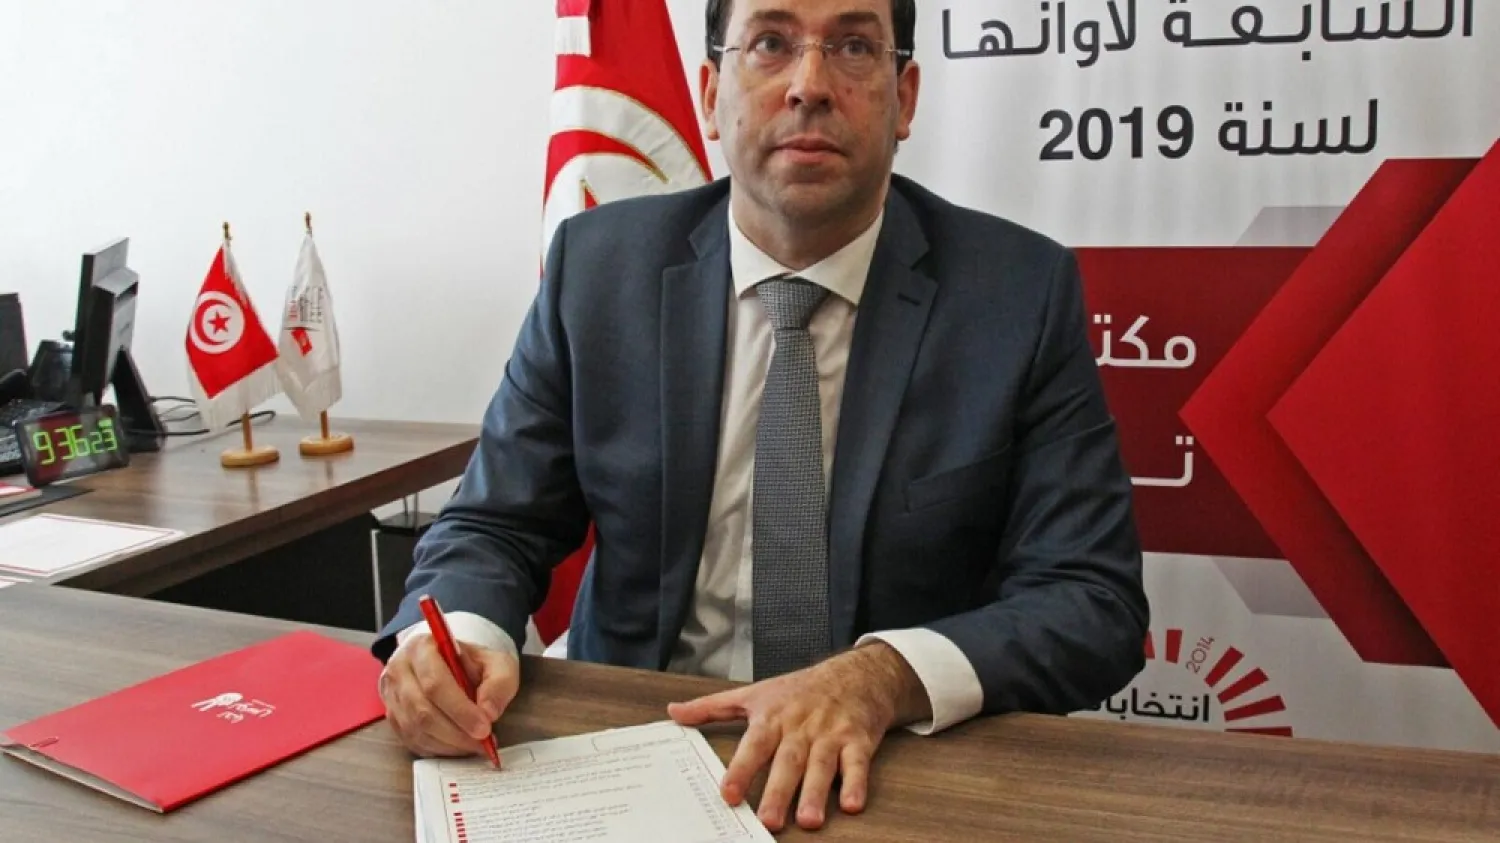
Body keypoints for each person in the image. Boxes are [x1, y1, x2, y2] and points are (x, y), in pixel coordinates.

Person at [374, 0, 1148, 833]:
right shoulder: (597, 270)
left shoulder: (1015, 294)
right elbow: (495, 522)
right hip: (633, 751)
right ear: (712, 93)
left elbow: (1091, 598)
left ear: (905, 96)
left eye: (853, 47)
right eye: (771, 43)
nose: (808, 85)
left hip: (887, 770)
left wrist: (881, 676)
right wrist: (454, 636)